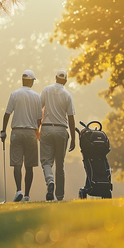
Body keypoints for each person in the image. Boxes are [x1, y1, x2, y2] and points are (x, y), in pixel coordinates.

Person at [0, 69, 43, 202]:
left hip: (16, 132)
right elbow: (39, 119)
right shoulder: (37, 97)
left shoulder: (14, 94)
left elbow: (7, 114)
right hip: (30, 132)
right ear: (31, 81)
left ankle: (18, 190)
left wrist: (3, 131)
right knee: (29, 165)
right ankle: (27, 195)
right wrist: (37, 133)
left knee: (17, 163)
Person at [40, 69, 76, 201]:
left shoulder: (46, 90)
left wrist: (37, 126)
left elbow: (39, 108)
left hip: (47, 129)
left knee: (46, 161)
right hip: (62, 130)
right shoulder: (67, 95)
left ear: (55, 77)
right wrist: (73, 137)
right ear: (65, 80)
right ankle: (59, 196)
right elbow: (71, 118)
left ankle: (50, 181)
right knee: (60, 165)